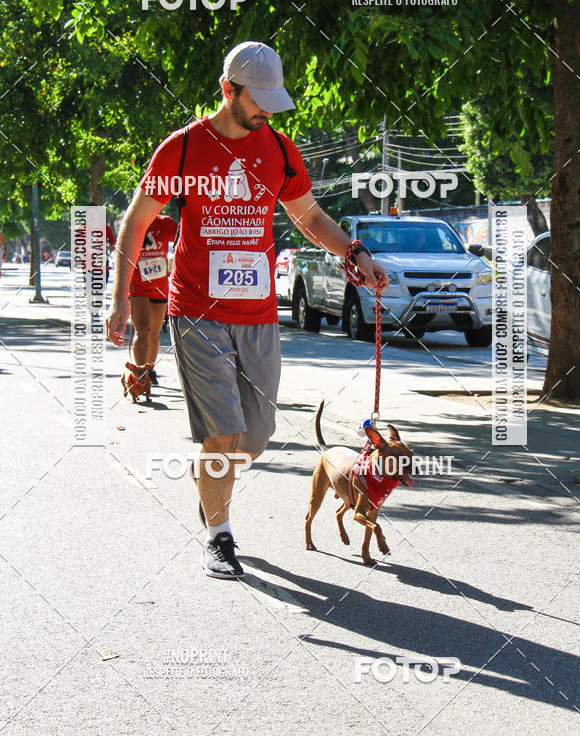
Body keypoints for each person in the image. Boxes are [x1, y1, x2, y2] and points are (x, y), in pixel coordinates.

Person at [106, 41, 388, 579]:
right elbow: (134, 222)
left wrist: (355, 252)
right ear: (226, 90)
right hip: (196, 313)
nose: (265, 112)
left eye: (271, 102)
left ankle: (212, 487)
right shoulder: (183, 150)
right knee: (222, 434)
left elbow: (308, 216)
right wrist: (120, 296)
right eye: (256, 101)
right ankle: (219, 534)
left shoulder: (279, 150)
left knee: (251, 441)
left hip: (258, 316)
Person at [128, 214, 177, 384]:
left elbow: (182, 239)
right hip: (137, 285)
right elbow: (121, 251)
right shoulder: (132, 221)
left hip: (159, 287)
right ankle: (140, 373)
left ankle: (150, 369)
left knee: (154, 333)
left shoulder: (166, 223)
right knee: (143, 330)